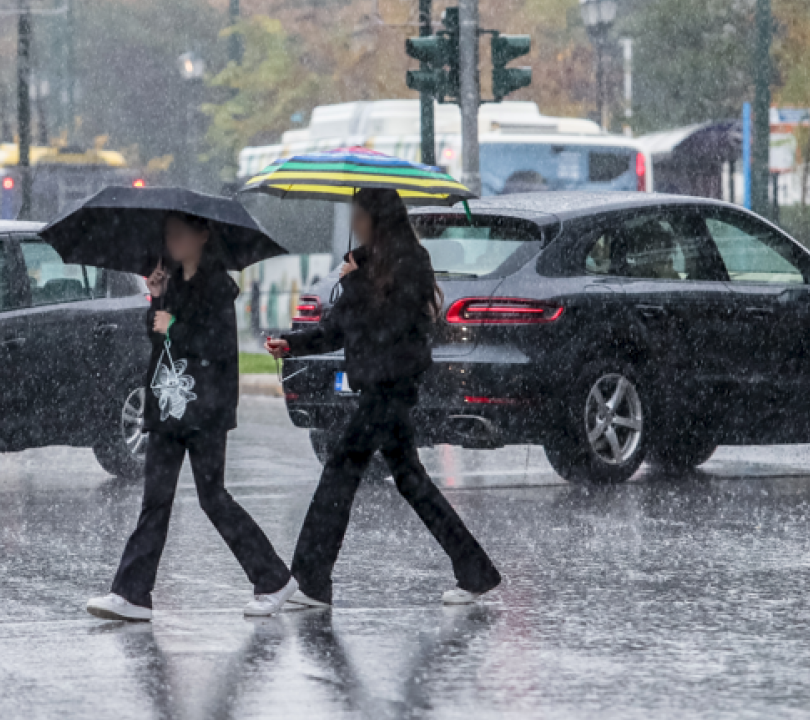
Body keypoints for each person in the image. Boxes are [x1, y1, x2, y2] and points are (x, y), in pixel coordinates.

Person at [266, 188, 502, 607]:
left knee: (339, 473)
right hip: (377, 388)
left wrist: (353, 280)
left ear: (379, 218)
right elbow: (338, 329)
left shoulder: (411, 263)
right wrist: (292, 344)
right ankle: (474, 570)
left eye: (360, 215)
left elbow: (391, 327)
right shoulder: (367, 264)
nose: (354, 223)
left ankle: (311, 579)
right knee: (410, 480)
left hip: (391, 388)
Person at [87, 212, 298, 622]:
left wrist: (174, 326)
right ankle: (132, 594)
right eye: (168, 234)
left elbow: (214, 348)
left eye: (180, 234)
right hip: (169, 406)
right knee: (155, 501)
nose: (172, 241)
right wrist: (157, 299)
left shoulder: (217, 287)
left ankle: (272, 578)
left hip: (205, 409)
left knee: (213, 498)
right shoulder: (171, 282)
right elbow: (160, 340)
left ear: (203, 235)